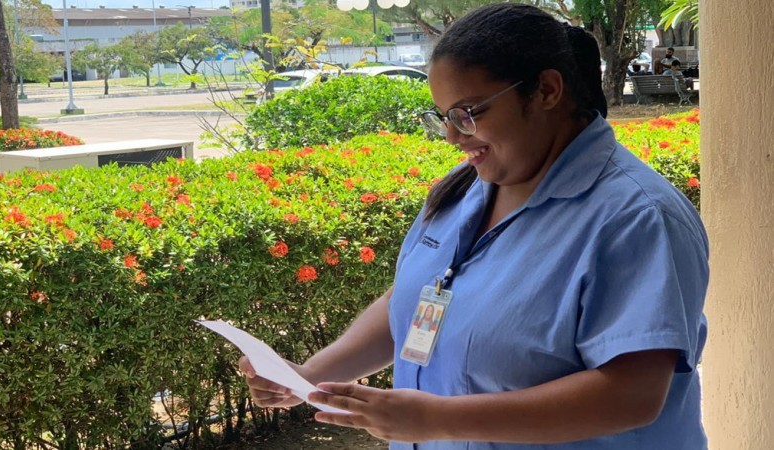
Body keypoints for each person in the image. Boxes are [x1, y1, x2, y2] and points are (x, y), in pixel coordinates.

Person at [238, 3, 709, 449]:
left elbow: (632, 394)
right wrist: (307, 375)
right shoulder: (463, 190)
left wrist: (437, 419)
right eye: (444, 117)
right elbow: (416, 298)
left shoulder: (637, 218)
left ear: (546, 91)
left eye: (469, 113)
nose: (452, 136)